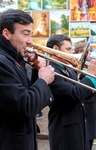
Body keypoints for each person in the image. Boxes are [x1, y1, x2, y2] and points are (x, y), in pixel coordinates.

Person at [0, 9, 55, 150]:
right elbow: (25, 107)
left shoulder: (13, 60)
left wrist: (37, 71)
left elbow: (29, 94)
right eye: (25, 34)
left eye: (31, 34)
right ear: (6, 33)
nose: (30, 41)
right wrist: (43, 80)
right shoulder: (2, 62)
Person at [46, 34, 96, 150]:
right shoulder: (51, 71)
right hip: (64, 128)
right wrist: (91, 76)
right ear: (55, 49)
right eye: (68, 49)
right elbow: (75, 94)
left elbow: (83, 92)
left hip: (78, 122)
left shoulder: (67, 69)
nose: (71, 52)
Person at [74, 42, 96, 149]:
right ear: (80, 52)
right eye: (88, 52)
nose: (90, 54)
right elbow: (79, 84)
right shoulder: (76, 66)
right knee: (87, 135)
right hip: (85, 104)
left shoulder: (87, 65)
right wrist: (91, 75)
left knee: (91, 136)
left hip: (93, 104)